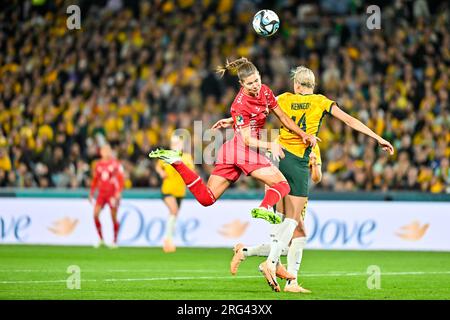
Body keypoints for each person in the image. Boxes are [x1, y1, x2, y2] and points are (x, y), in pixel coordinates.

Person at [215, 65, 394, 292]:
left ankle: (268, 265)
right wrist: (377, 137)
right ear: (312, 85)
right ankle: (270, 264)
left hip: (278, 158)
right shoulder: (321, 102)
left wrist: (231, 121)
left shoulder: (284, 98)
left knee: (290, 226)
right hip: (297, 161)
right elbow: (350, 121)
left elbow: (257, 112)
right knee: (291, 222)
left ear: (296, 85)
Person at [148, 57, 317, 226]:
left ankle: (177, 162)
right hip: (244, 149)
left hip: (232, 150)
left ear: (259, 75)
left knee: (207, 198)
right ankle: (264, 208)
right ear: (241, 84)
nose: (255, 85)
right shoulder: (239, 104)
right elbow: (247, 139)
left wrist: (303, 134)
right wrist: (270, 144)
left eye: (256, 80)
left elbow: (282, 117)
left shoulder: (265, 91)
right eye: (250, 84)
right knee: (282, 185)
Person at [229, 144, 322, 294]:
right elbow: (270, 172)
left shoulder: (312, 145)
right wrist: (272, 197)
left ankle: (245, 252)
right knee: (299, 235)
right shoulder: (283, 141)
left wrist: (315, 164)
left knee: (287, 246)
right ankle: (289, 279)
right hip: (284, 194)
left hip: (300, 194)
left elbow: (316, 178)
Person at [155, 135, 194, 253]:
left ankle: (169, 238)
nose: (175, 146)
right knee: (174, 211)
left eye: (178, 143)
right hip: (167, 189)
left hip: (180, 191)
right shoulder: (165, 154)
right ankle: (168, 240)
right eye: (174, 144)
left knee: (174, 214)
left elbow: (191, 171)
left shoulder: (186, 157)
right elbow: (158, 167)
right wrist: (161, 172)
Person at [89, 144, 124, 248]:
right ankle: (101, 239)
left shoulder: (116, 164)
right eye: (104, 150)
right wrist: (91, 192)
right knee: (95, 214)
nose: (106, 152)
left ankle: (115, 240)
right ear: (100, 152)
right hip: (101, 194)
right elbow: (95, 179)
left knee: (113, 217)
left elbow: (121, 179)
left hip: (112, 194)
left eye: (108, 150)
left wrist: (118, 192)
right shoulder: (98, 164)